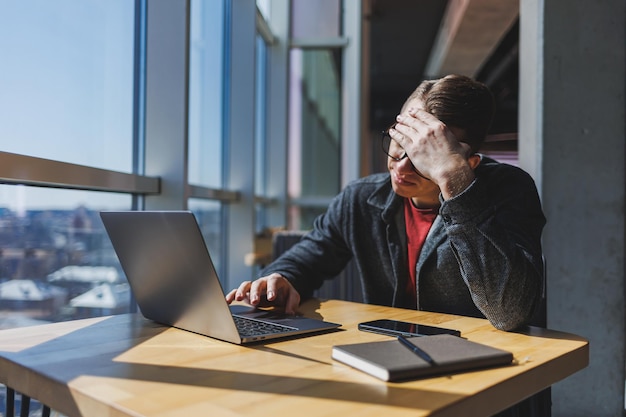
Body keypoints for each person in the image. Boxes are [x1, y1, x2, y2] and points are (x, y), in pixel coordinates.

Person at [226, 74, 546, 332]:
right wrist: (283, 277)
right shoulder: (362, 198)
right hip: (386, 357)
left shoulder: (508, 190)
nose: (401, 167)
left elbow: (510, 313)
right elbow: (312, 253)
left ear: (468, 163)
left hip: (486, 369)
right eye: (398, 145)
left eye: (423, 157)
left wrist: (457, 185)